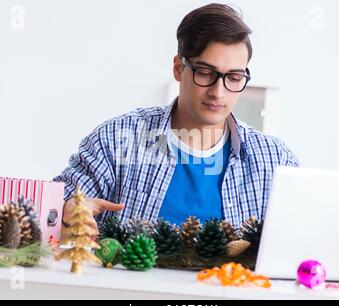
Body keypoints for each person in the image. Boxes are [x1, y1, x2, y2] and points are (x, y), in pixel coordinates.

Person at [54, 3, 299, 230]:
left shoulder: (275, 160)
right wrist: (66, 213)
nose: (218, 92)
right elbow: (53, 209)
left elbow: (302, 240)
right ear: (178, 68)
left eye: (234, 78)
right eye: (205, 73)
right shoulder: (117, 139)